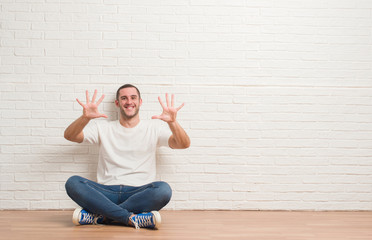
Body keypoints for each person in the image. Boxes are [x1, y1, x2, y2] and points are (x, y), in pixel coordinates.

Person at [64, 84, 190, 229]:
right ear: (117, 103)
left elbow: (183, 144)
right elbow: (70, 136)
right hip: (106, 193)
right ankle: (129, 218)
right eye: (124, 98)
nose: (129, 101)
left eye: (133, 97)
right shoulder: (103, 127)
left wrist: (173, 123)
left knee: (163, 190)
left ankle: (102, 217)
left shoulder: (154, 127)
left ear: (140, 102)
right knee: (73, 183)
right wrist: (84, 118)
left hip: (139, 193)